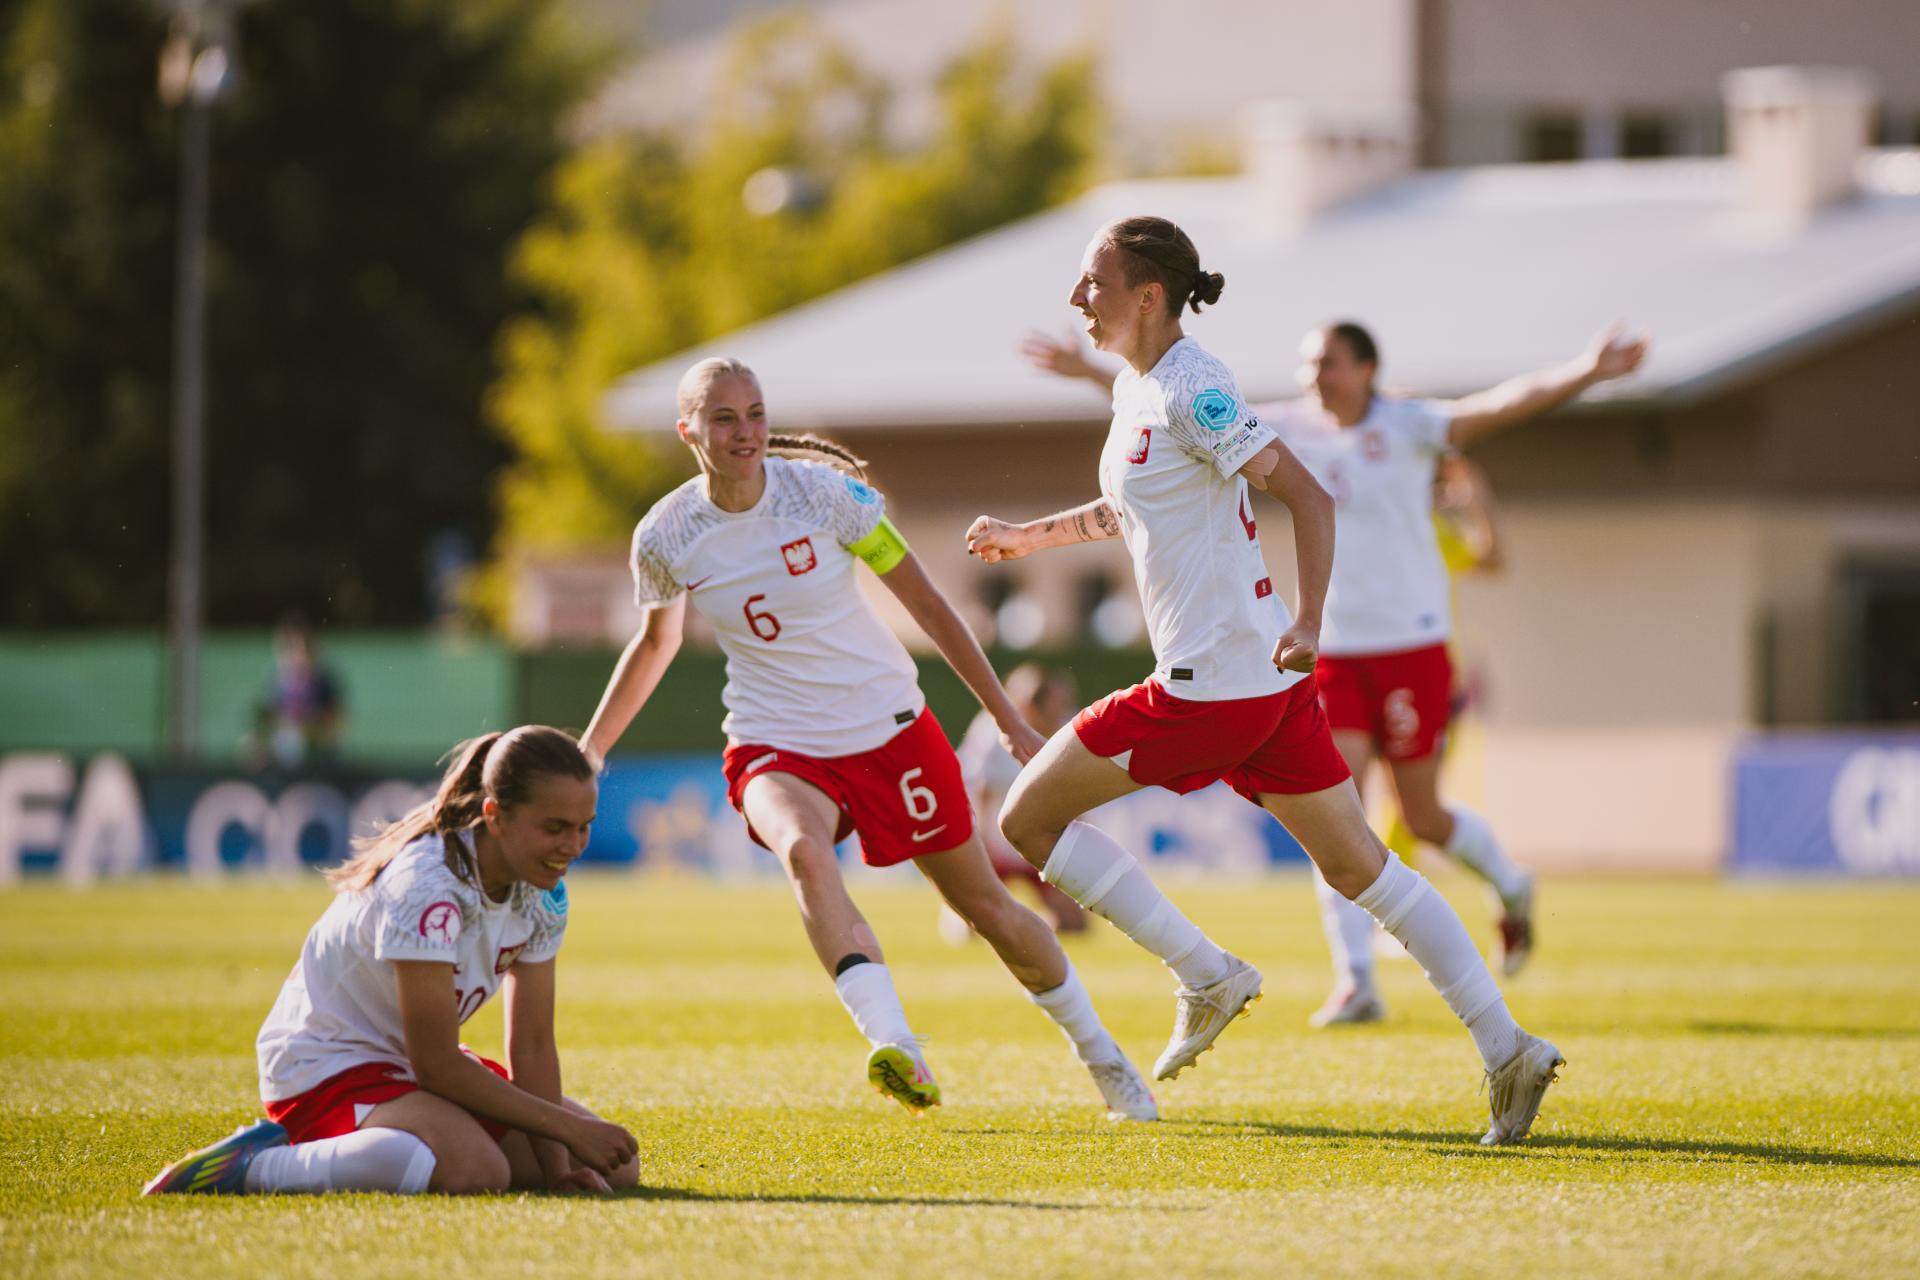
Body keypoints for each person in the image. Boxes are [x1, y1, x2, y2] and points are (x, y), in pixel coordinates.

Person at [971, 216, 1563, 1144]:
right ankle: (1510, 1047)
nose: (1077, 297)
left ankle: (1206, 973)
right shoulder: (1139, 390)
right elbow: (1133, 508)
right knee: (1364, 867)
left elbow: (1309, 496)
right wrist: (1029, 537)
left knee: (1025, 820)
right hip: (1258, 690)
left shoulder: (1193, 386)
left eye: (1092, 280)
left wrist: (1309, 620)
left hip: (1212, 685)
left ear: (1148, 295)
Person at [1023, 316, 1646, 1025]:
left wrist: (1588, 371)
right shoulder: (1290, 426)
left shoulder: (1412, 425)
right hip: (1326, 652)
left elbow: (1500, 405)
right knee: (1339, 814)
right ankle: (1356, 980)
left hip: (1414, 647)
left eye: (1331, 363)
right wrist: (1089, 371)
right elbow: (1171, 409)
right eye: (1309, 363)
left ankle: (1510, 883)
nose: (1315, 376)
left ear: (1367, 371)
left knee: (1423, 817)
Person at [579, 357, 1157, 1122]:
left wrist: (1011, 720)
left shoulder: (830, 499)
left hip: (888, 727)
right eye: (723, 419)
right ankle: (895, 1043)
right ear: (688, 430)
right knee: (802, 851)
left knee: (986, 906)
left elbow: (931, 608)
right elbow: (654, 646)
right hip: (772, 738)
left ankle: (1105, 1059)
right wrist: (587, 754)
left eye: (754, 413)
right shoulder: (665, 534)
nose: (745, 431)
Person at [145, 727, 640, 1196]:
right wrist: (569, 1127)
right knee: (475, 1169)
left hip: (404, 1067)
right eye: (555, 828)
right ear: (495, 814)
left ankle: (405, 1145)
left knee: (615, 1168)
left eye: (583, 828)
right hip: (325, 1063)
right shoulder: (428, 885)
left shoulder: (544, 893)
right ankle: (252, 1168)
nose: (572, 848)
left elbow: (530, 1045)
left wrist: (559, 1169)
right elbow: (437, 1066)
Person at [940, 664, 1089, 943]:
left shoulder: (1070, 729)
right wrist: (980, 851)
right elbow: (977, 795)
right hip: (996, 845)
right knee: (972, 928)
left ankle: (1030, 923)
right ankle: (962, 911)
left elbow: (1080, 796)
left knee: (1074, 925)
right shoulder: (992, 733)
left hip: (1040, 846)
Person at [246, 615, 345, 769]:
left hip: (316, 759)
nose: (295, 656)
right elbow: (267, 721)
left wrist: (305, 730)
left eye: (300, 648)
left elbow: (334, 724)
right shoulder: (276, 682)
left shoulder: (323, 683)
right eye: (288, 648)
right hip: (283, 753)